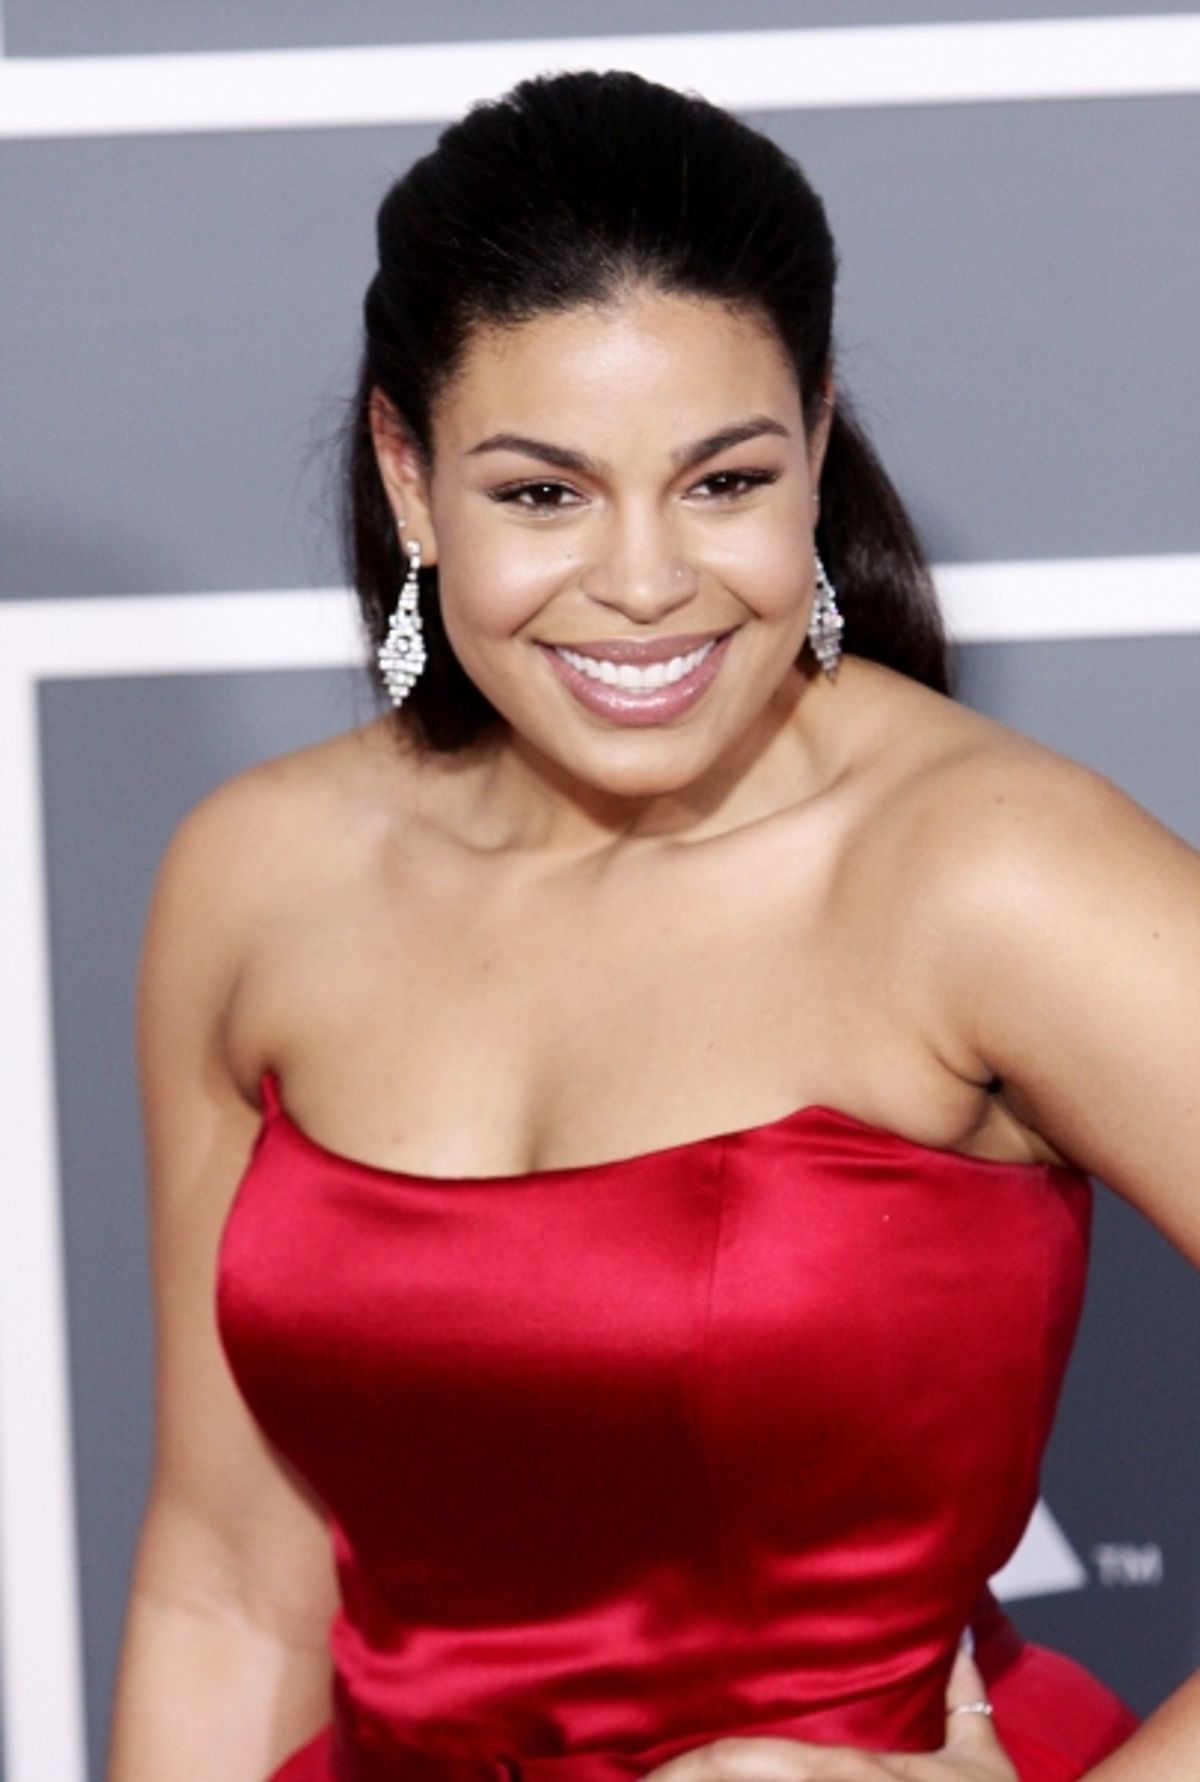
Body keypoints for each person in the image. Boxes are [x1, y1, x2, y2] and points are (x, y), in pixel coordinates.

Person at [107, 69, 1199, 1782]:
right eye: (543, 493)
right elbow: (229, 1586)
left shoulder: (983, 870)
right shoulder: (257, 878)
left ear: (817, 444)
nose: (643, 582)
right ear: (409, 472)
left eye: (722, 481)